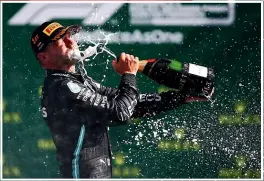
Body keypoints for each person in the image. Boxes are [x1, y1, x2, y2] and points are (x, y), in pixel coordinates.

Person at [31, 21, 214, 178]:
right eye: (60, 41)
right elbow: (120, 112)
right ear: (43, 57)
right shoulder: (63, 87)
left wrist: (181, 97)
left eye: (70, 35)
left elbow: (131, 105)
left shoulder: (75, 81)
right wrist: (128, 74)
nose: (70, 41)